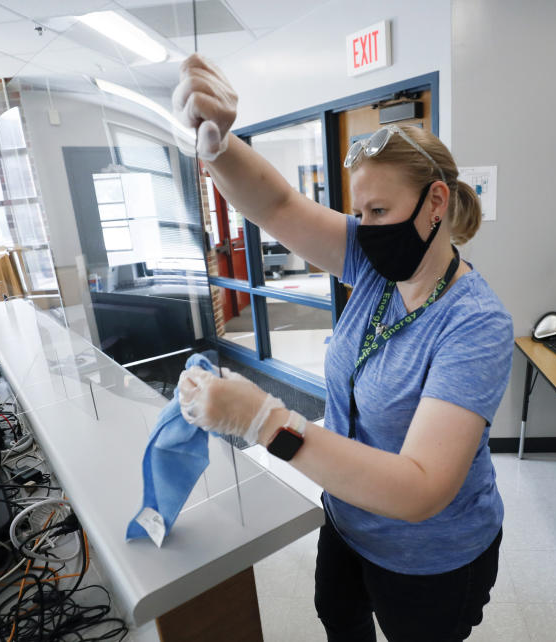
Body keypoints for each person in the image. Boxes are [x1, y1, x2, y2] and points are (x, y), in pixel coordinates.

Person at [173, 54, 513, 642]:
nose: (364, 226)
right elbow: (277, 205)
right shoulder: (374, 261)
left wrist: (264, 421)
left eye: (380, 210)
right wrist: (220, 146)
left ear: (437, 202)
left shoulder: (475, 325)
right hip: (348, 516)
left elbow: (420, 488)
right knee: (340, 618)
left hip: (430, 555)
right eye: (360, 211)